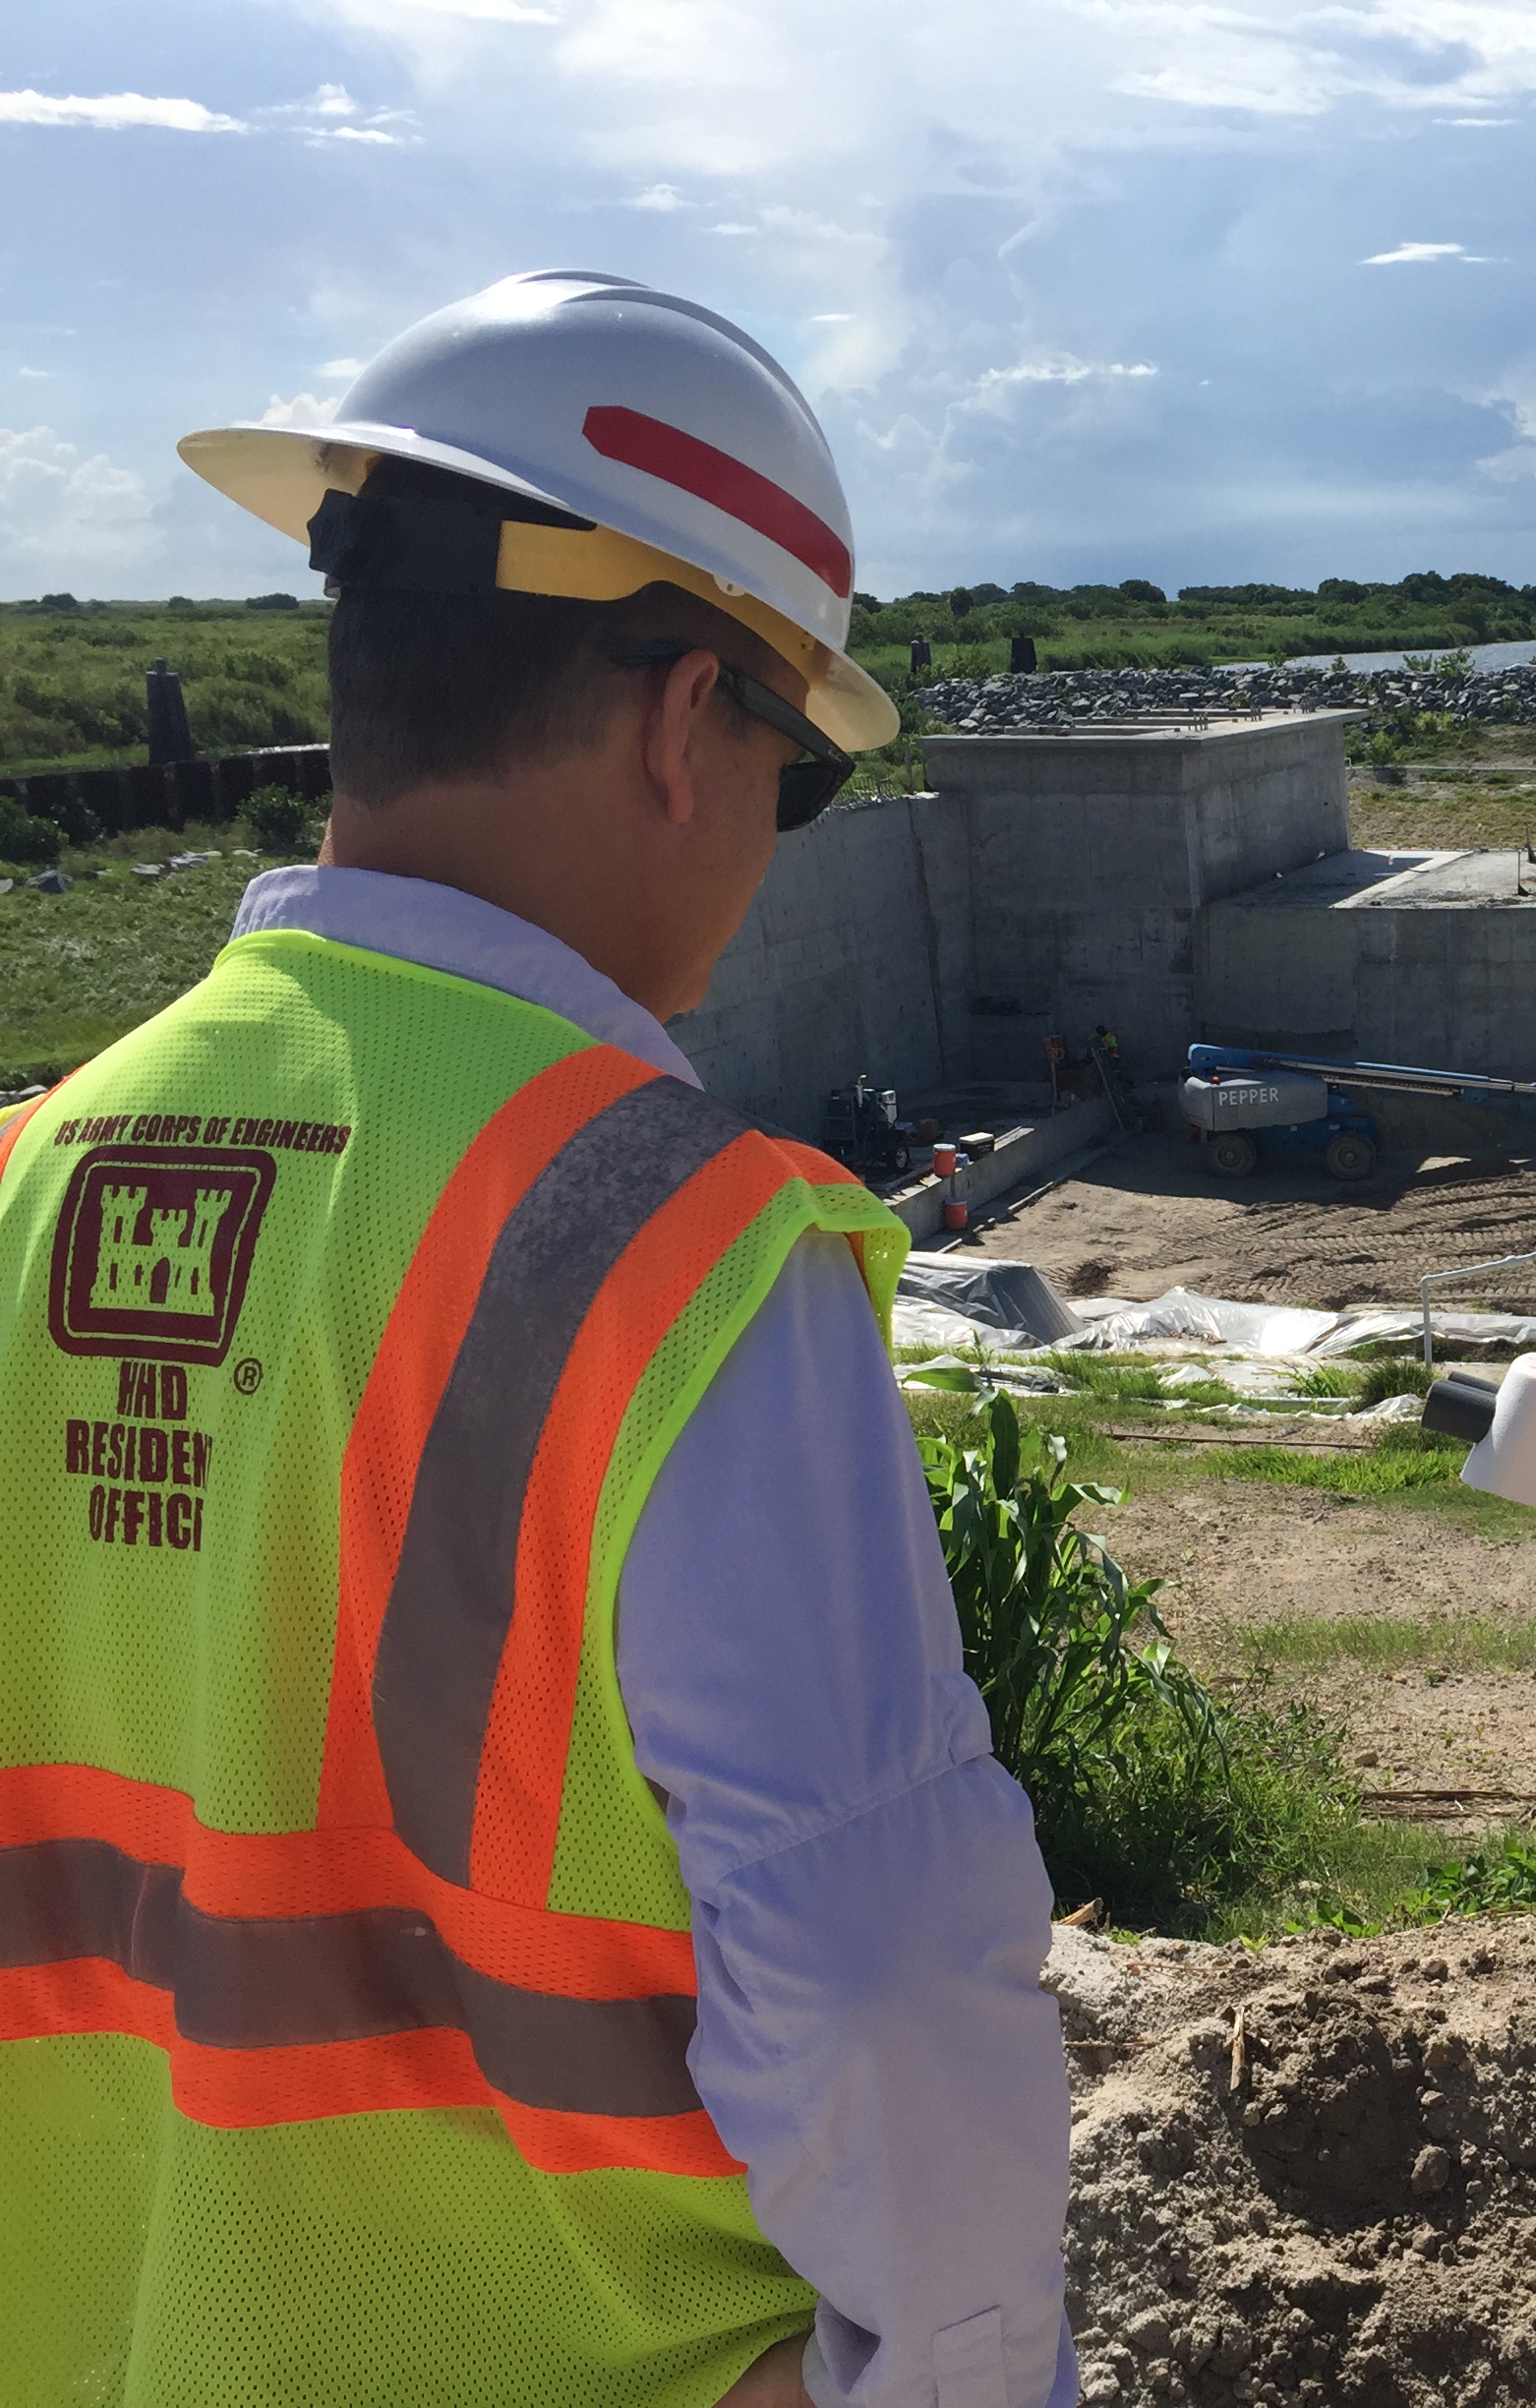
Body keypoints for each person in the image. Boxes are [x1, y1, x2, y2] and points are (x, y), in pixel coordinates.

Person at [0, 272, 1078, 2407]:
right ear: (691, 723)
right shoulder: (672, 1255)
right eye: (795, 777)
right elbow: (879, 1997)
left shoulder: (36, 1173)